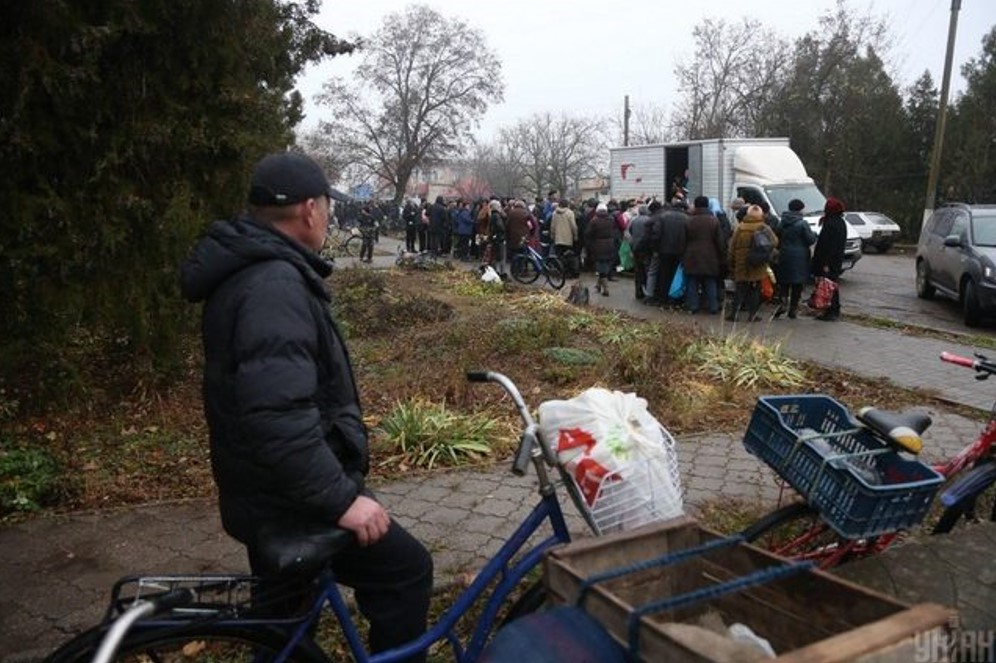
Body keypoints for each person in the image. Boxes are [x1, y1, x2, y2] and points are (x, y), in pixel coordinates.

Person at [179, 152, 433, 661]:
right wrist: (341, 501)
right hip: (292, 501)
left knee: (284, 625)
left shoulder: (253, 268)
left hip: (265, 489)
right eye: (327, 208)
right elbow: (276, 414)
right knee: (405, 570)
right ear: (310, 211)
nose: (329, 217)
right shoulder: (274, 285)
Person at [726, 204, 778, 322]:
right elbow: (774, 242)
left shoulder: (740, 227)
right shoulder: (764, 227)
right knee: (755, 290)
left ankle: (734, 314)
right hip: (758, 262)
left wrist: (731, 262)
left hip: (741, 262)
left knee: (740, 289)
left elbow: (732, 247)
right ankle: (752, 315)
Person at [773, 199, 817, 319]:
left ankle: (782, 303)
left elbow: (776, 237)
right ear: (800, 209)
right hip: (800, 257)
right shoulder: (802, 224)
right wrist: (814, 234)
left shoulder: (782, 222)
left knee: (784, 282)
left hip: (784, 254)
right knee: (797, 284)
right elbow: (810, 240)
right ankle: (793, 309)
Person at [683, 196, 726, 315]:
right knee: (710, 281)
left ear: (695, 206)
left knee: (692, 281)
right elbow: (720, 241)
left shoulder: (688, 220)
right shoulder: (714, 220)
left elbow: (684, 240)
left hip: (691, 255)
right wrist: (722, 256)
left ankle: (693, 306)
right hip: (710, 256)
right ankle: (713, 306)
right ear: (707, 205)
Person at [811, 197, 848, 321]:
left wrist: (825, 263)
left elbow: (828, 245)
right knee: (832, 284)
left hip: (829, 260)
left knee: (828, 285)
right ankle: (833, 309)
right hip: (835, 259)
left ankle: (830, 310)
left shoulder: (831, 224)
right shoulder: (840, 222)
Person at [586, 202, 619, 296]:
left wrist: (590, 244)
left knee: (601, 267)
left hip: (598, 246)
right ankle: (598, 285)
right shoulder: (611, 219)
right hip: (610, 245)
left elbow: (588, 234)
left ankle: (605, 289)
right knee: (605, 264)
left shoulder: (594, 221)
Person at [550, 199, 579, 277]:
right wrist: (575, 235)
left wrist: (552, 236)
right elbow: (573, 226)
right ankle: (568, 272)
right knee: (568, 256)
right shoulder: (570, 213)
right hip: (568, 238)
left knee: (559, 256)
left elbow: (552, 226)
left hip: (558, 239)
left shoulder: (554, 213)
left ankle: (561, 271)